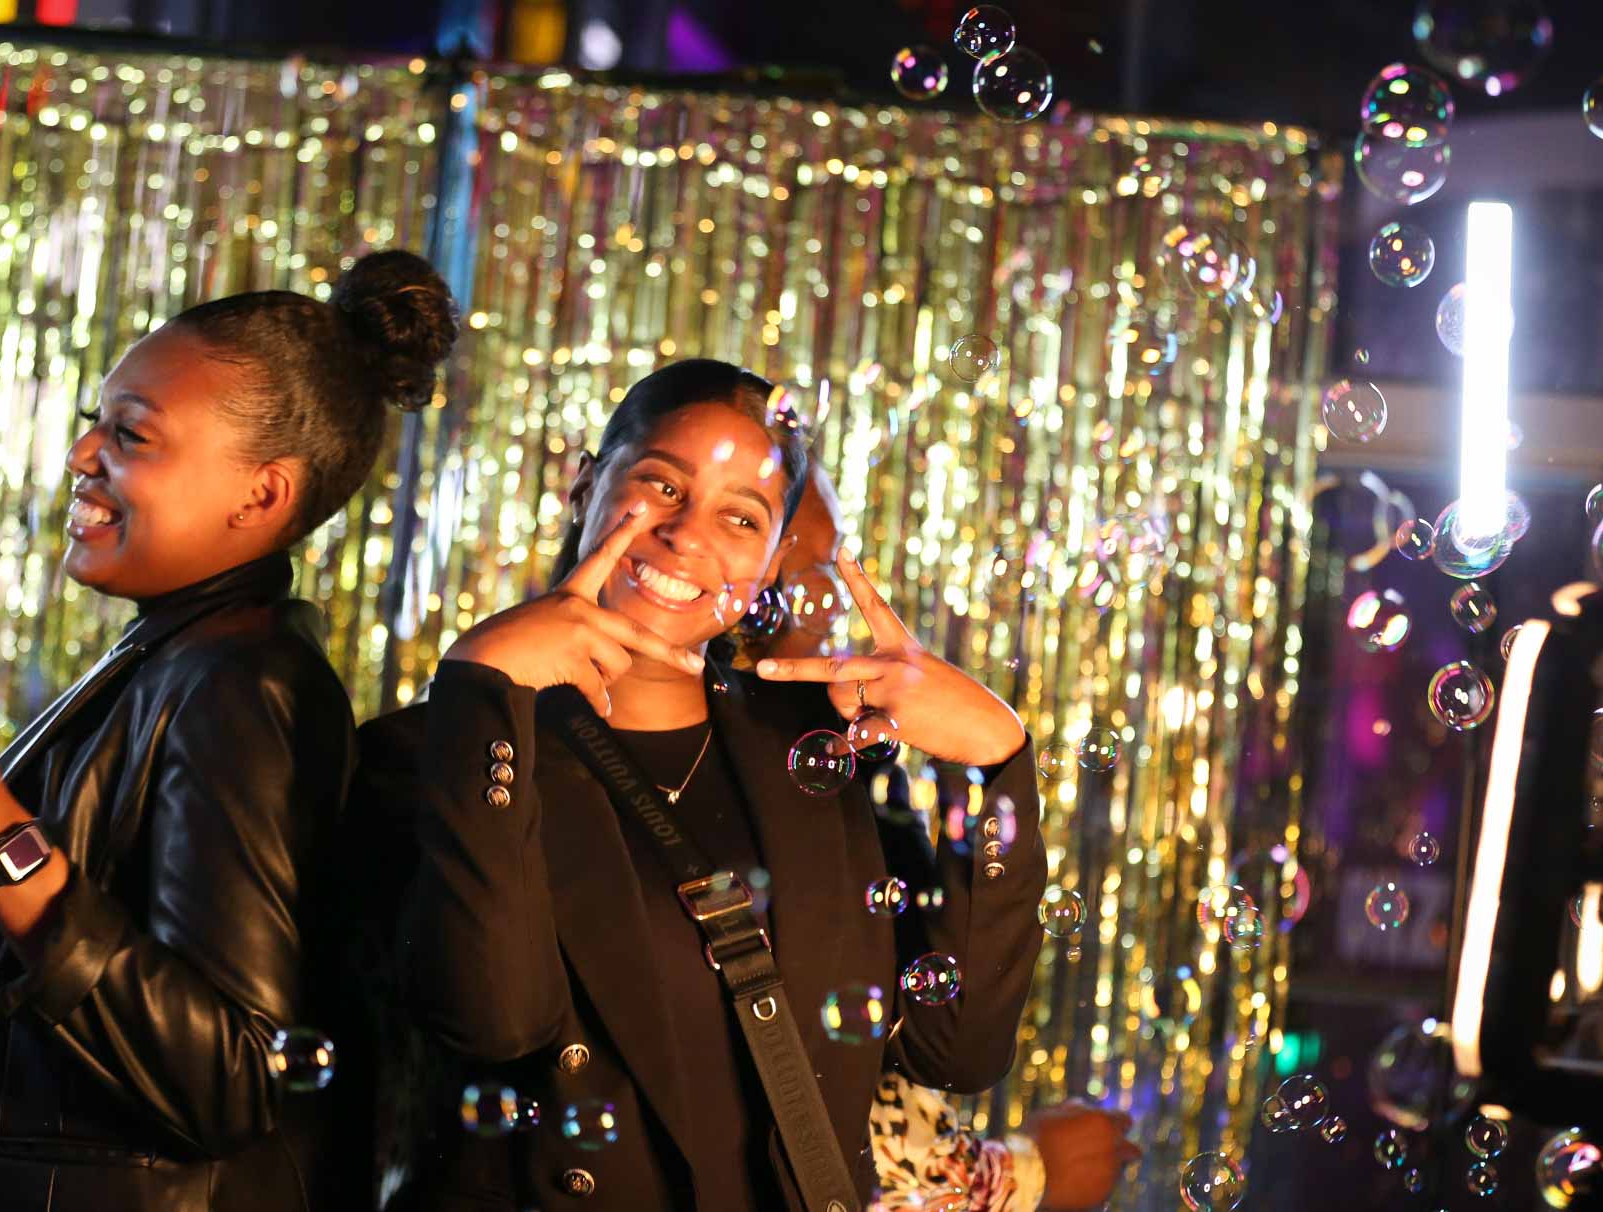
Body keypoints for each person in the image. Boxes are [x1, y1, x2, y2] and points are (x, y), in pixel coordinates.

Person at [0, 251, 459, 1211]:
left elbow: (232, 1073)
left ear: (262, 495)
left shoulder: (243, 686)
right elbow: (96, 880)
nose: (81, 458)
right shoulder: (182, 652)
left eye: (131, 434)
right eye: (92, 425)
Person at [354, 358, 1048, 1210]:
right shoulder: (426, 752)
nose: (687, 536)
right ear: (584, 486)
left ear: (769, 561)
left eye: (741, 516)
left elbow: (957, 1051)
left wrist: (997, 769)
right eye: (661, 484)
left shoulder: (818, 757)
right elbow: (495, 1016)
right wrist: (482, 686)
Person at [758, 467, 1144, 1212]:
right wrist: (1019, 1179)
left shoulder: (840, 751)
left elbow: (954, 1047)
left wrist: (996, 761)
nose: (819, 596)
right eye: (772, 544)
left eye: (832, 562)